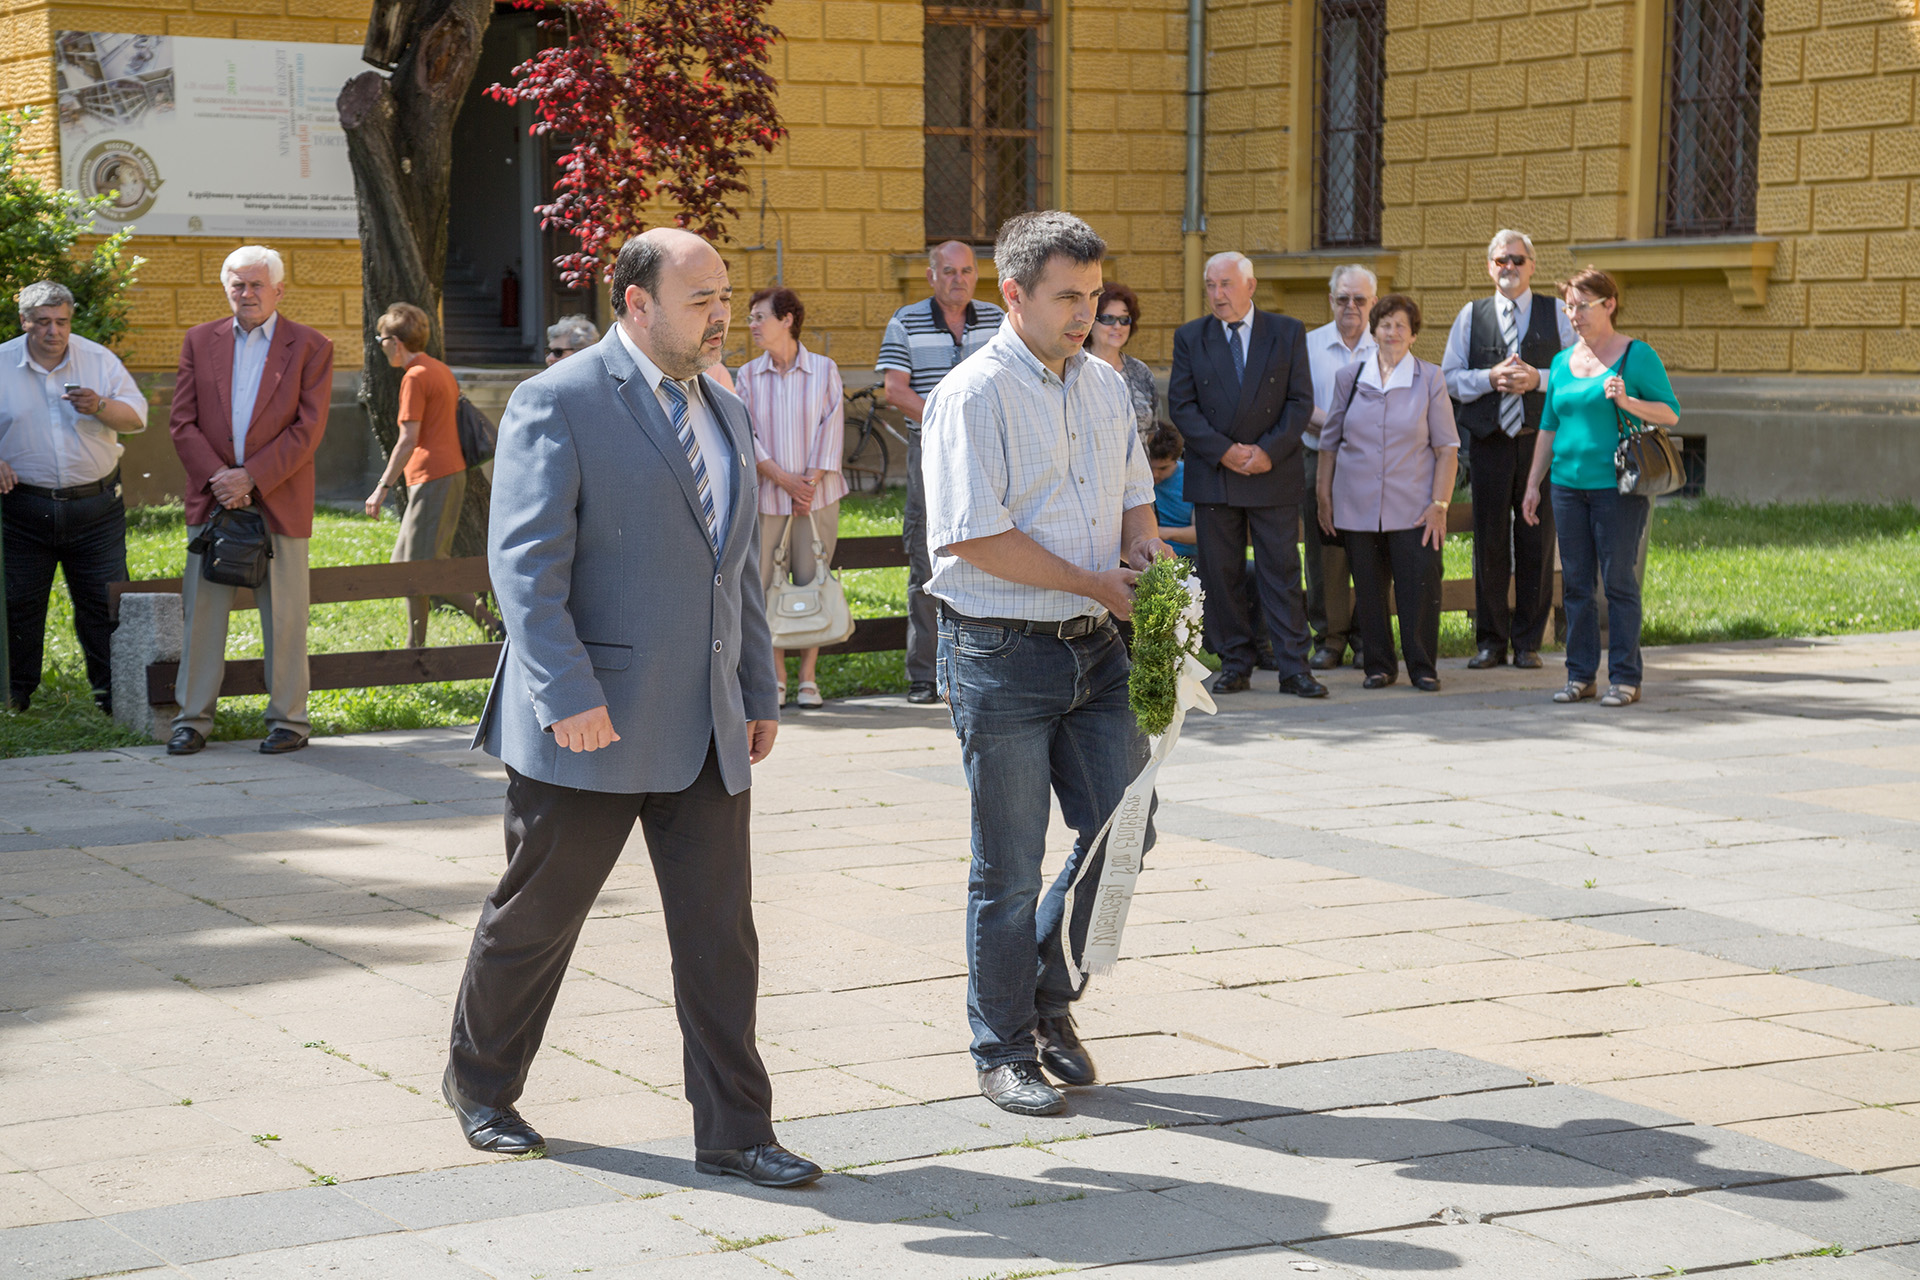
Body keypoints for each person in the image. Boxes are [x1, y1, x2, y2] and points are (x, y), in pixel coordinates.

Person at [450, 227, 819, 1190]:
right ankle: (481, 1089)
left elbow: (734, 570)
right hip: (590, 724)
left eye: (725, 297)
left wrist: (757, 689)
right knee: (537, 922)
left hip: (706, 724)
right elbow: (525, 568)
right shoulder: (558, 399)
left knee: (720, 938)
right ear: (636, 303)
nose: (721, 316)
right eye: (701, 301)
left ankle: (736, 1132)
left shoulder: (726, 406)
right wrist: (566, 692)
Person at [922, 210, 1166, 1119]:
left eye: (1094, 295)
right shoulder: (972, 395)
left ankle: (1048, 995)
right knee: (1009, 867)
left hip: (1097, 650)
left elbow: (1135, 500)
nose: (1086, 313)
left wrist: (1146, 555)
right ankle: (1002, 1047)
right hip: (999, 653)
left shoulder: (1104, 383)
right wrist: (1095, 582)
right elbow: (973, 537)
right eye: (1068, 297)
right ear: (1013, 294)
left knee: (1126, 832)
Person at [166, 246, 332, 756]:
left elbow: (308, 429)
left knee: (285, 617)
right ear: (226, 289)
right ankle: (192, 720)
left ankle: (289, 721)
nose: (247, 293)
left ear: (278, 290)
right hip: (214, 500)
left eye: (257, 284)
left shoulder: (311, 346)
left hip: (279, 498)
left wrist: (251, 478)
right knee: (203, 616)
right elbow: (182, 422)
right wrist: (221, 479)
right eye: (238, 284)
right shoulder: (199, 341)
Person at [1521, 268, 1679, 709]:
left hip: (1616, 488)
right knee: (1575, 585)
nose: (1574, 315)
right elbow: (1549, 426)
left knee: (1618, 583)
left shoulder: (1636, 356)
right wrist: (1533, 484)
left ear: (1609, 304)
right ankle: (1580, 675)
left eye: (1582, 306)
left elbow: (1670, 413)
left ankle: (1625, 678)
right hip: (1566, 488)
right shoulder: (1561, 362)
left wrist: (1627, 401)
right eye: (1569, 307)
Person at [1168, 251, 1321, 698]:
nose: (1217, 294)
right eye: (1210, 285)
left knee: (1282, 573)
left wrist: (1268, 451)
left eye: (1226, 284)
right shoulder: (1190, 337)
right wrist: (1225, 452)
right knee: (1221, 574)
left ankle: (1294, 668)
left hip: (1273, 470)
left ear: (1250, 286)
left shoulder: (1286, 331)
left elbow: (1300, 401)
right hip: (1215, 472)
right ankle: (1234, 663)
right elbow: (1182, 405)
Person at [0, 281, 147, 715]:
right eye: (43, 322)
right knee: (18, 606)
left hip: (96, 510)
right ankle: (13, 699)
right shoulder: (3, 363)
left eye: (62, 322)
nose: (54, 332)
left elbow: (136, 419)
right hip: (22, 510)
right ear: (24, 321)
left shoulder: (98, 360)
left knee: (105, 605)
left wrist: (100, 406)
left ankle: (113, 700)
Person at [1441, 230, 1577, 671]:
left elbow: (1579, 369)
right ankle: (1491, 641)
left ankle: (1528, 642)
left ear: (1532, 266)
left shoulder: (1557, 313)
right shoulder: (1471, 315)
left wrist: (1538, 378)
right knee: (1490, 541)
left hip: (1540, 442)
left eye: (1518, 260)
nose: (1510, 268)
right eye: (1501, 260)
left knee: (1537, 539)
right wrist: (1489, 378)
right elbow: (1448, 377)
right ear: (1490, 266)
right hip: (1490, 443)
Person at [876, 241, 1004, 705]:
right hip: (928, 450)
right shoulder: (905, 320)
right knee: (927, 555)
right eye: (948, 271)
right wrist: (946, 419)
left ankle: (986, 662)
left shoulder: (997, 319)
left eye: (966, 271)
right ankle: (924, 675)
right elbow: (895, 390)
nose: (958, 279)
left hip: (990, 451)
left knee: (996, 544)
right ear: (931, 276)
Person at [1317, 295, 1459, 692]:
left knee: (1420, 588)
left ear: (1413, 335)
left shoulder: (1430, 378)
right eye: (1385, 324)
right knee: (1367, 589)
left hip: (1416, 508)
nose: (1392, 332)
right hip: (1357, 506)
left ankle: (1423, 667)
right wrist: (1324, 497)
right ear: (1373, 331)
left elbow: (1447, 449)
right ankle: (1378, 666)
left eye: (1401, 326)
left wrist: (1440, 504)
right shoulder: (1349, 378)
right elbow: (1329, 444)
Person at [737, 285, 846, 709]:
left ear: (786, 320)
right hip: (768, 496)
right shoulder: (747, 376)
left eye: (759, 317)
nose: (751, 325)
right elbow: (747, 436)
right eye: (750, 318)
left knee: (811, 577)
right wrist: (785, 481)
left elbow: (831, 427)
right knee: (767, 585)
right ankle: (777, 677)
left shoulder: (824, 369)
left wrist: (808, 485)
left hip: (818, 498)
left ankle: (808, 678)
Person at [364, 301, 498, 647]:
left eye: (382, 340)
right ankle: (420, 645)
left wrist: (382, 486)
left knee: (422, 567)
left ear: (396, 342)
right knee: (408, 563)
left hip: (433, 476)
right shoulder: (438, 369)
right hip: (441, 475)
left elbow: (407, 439)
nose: (381, 347)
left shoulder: (415, 376)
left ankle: (488, 628)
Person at [1302, 265, 1378, 672]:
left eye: (1359, 299)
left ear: (1373, 303)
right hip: (1318, 461)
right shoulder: (1308, 345)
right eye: (1343, 298)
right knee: (1325, 553)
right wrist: (1342, 425)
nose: (1351, 306)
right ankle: (1329, 639)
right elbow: (1299, 404)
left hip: (1372, 464)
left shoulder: (1385, 346)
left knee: (1370, 551)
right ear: (1331, 300)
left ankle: (1369, 639)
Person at [1083, 282, 1156, 437]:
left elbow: (1151, 432)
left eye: (1124, 319)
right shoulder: (1074, 368)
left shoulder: (1141, 371)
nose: (1117, 326)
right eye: (1108, 318)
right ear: (1090, 322)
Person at [1146, 423, 1196, 559]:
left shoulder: (1193, 478)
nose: (1154, 475)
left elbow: (1201, 533)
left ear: (1177, 459)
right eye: (1150, 467)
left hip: (1185, 557)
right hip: (1143, 555)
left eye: (1163, 468)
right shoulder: (1135, 477)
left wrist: (1160, 533)